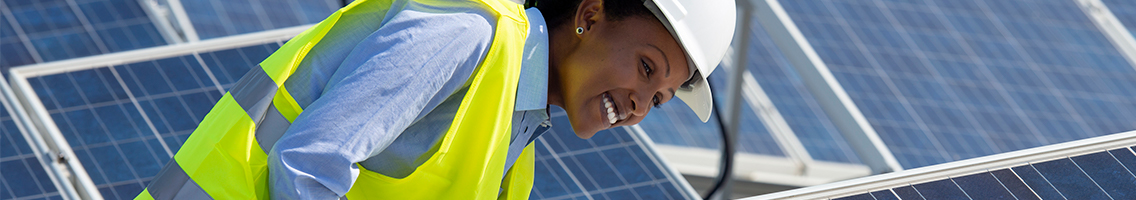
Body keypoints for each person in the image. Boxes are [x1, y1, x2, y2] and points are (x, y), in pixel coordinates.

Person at [135, 0, 734, 199]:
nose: (637, 104)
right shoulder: (469, 36)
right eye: (646, 68)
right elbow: (306, 165)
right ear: (591, 14)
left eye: (657, 100)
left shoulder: (513, 145)